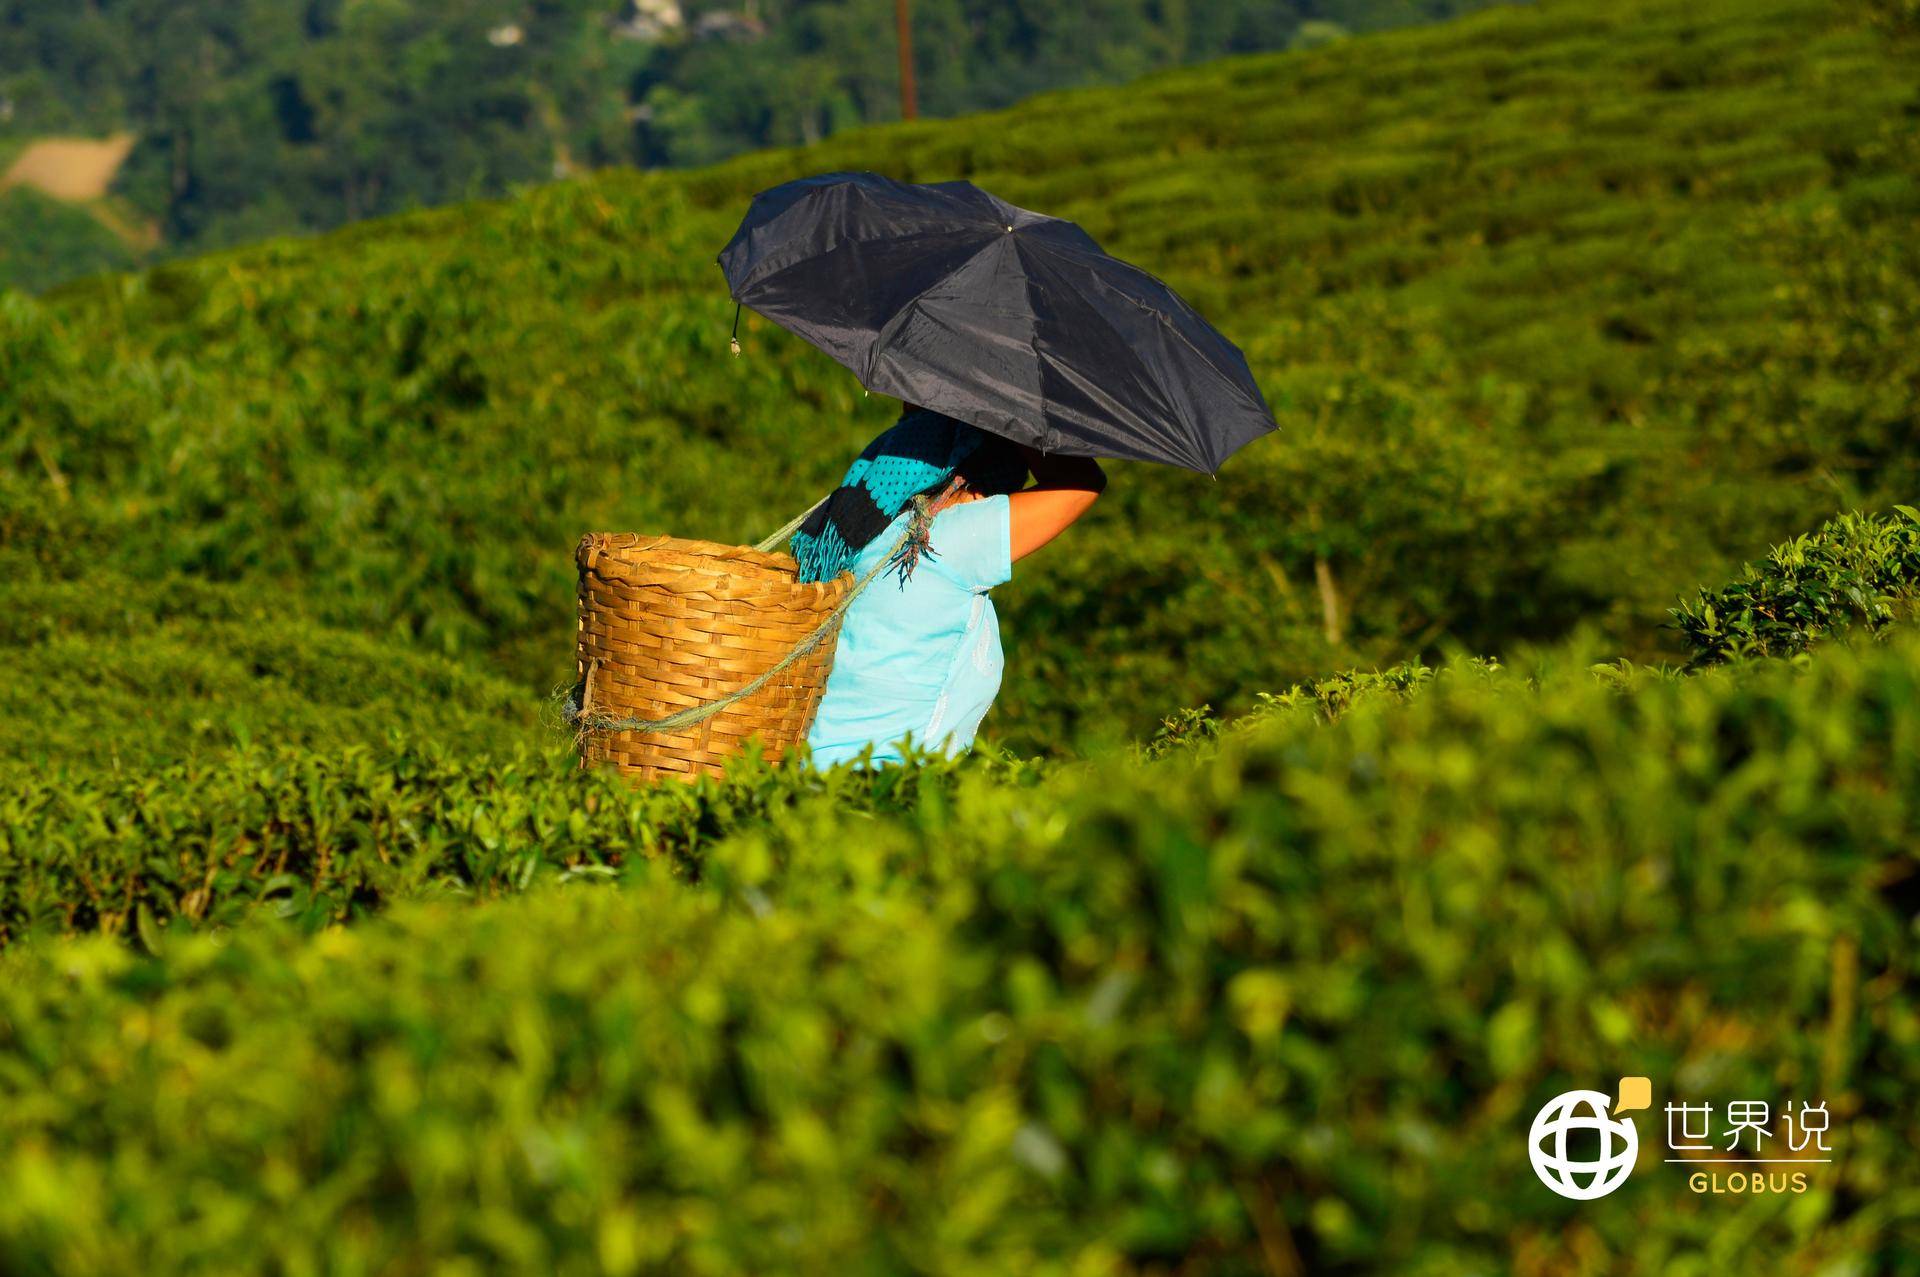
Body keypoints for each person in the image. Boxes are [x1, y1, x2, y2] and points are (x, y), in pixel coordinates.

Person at [794, 404, 1105, 767]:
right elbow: (1081, 484)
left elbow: (922, 415)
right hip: (885, 783)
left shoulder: (871, 528)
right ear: (971, 486)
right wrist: (1014, 404)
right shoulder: (952, 537)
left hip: (815, 772)